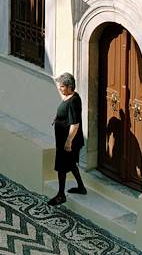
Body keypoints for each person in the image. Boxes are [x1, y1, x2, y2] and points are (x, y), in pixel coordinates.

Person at [49, 72, 86, 205]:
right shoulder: (71, 97)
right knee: (70, 164)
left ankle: (61, 195)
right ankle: (81, 187)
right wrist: (58, 117)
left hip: (67, 141)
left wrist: (69, 141)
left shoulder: (72, 101)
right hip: (64, 140)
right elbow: (65, 113)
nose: (60, 88)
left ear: (70, 87)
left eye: (62, 86)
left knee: (61, 167)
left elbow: (75, 124)